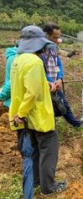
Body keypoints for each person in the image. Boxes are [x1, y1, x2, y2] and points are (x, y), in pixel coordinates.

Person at [9, 25, 67, 196]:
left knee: (33, 149)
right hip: (39, 116)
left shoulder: (17, 60)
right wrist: (23, 113)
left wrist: (45, 83)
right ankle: (48, 188)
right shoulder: (34, 62)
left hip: (25, 117)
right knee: (48, 151)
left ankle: (35, 181)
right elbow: (32, 92)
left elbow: (24, 85)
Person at [42, 22, 82, 127]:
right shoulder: (40, 50)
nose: (57, 40)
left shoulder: (54, 48)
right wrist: (51, 82)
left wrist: (59, 78)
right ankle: (50, 127)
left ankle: (77, 124)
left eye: (58, 37)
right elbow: (41, 69)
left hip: (56, 83)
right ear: (46, 35)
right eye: (55, 37)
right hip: (46, 84)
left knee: (63, 103)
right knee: (48, 107)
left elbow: (58, 63)